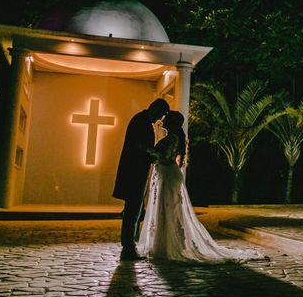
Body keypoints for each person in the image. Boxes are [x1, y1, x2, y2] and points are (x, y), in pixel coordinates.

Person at [137, 110, 265, 262]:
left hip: (168, 176)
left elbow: (165, 157)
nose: (163, 119)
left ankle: (169, 246)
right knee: (164, 209)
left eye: (167, 118)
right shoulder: (171, 137)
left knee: (168, 209)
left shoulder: (172, 138)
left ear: (172, 123)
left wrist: (146, 149)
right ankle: (163, 245)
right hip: (165, 175)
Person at [113, 98, 170, 261]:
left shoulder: (142, 120)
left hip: (137, 170)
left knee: (134, 209)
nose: (160, 119)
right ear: (155, 109)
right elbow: (139, 145)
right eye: (161, 114)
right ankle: (128, 247)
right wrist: (156, 154)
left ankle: (129, 244)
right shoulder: (141, 121)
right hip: (134, 171)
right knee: (133, 209)